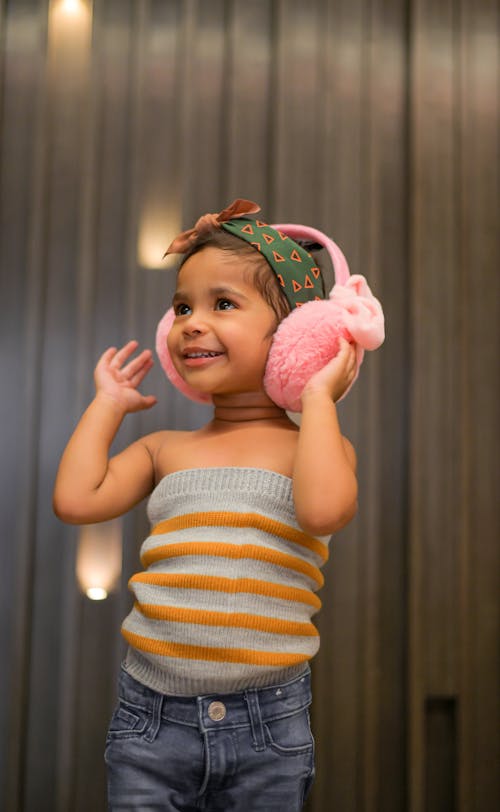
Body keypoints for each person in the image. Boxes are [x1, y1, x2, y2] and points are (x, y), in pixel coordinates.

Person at [53, 199, 363, 811]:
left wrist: (319, 395)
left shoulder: (317, 447)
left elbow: (325, 510)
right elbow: (76, 499)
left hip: (268, 725)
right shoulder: (164, 448)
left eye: (222, 303)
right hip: (151, 717)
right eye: (182, 307)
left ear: (299, 336)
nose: (191, 322)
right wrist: (108, 404)